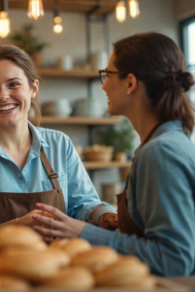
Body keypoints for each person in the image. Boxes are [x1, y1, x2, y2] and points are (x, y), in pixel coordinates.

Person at [33, 32, 195, 276]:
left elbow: (175, 259)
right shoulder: (168, 142)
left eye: (107, 74)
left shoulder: (160, 152)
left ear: (130, 82)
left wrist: (83, 232)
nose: (104, 84)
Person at [0, 45, 117, 232]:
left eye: (13, 84)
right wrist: (17, 225)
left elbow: (83, 205)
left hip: (59, 259)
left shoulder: (60, 145)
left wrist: (106, 215)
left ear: (33, 88)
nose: (3, 96)